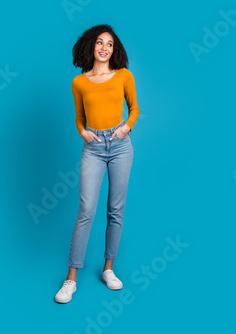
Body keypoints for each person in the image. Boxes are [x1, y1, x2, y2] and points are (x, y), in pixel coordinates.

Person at [54, 24, 140, 303]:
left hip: (120, 146)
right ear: (90, 46)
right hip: (92, 148)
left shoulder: (124, 76)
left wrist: (127, 126)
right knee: (86, 210)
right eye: (100, 42)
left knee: (115, 209)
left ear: (115, 50)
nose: (105, 48)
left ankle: (108, 269)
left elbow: (134, 108)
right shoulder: (78, 82)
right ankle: (71, 279)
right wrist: (82, 131)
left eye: (110, 44)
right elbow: (79, 117)